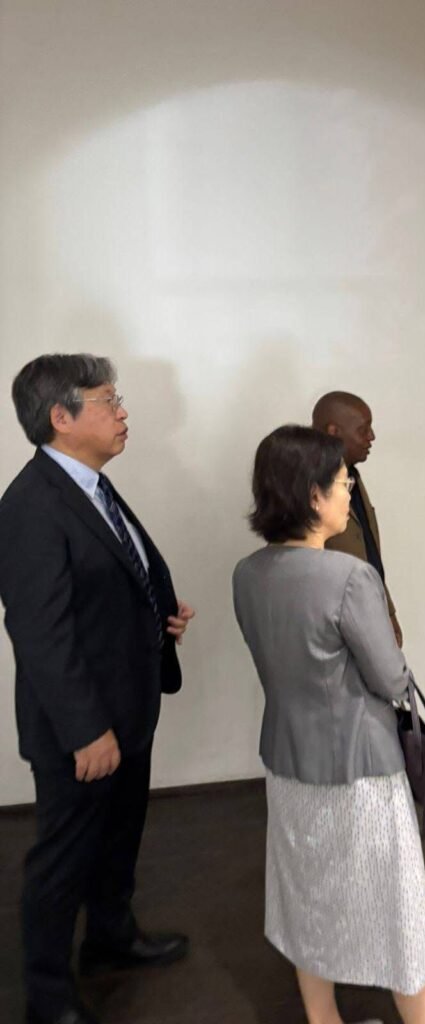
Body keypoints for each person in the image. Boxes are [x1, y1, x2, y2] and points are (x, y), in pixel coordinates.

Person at [0, 355, 195, 1024]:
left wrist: (158, 614)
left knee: (116, 841)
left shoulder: (91, 487)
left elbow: (113, 577)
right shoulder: (31, 506)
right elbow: (40, 633)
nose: (123, 412)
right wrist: (86, 730)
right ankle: (49, 998)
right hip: (80, 728)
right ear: (61, 416)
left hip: (128, 707)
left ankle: (111, 938)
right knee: (63, 860)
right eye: (109, 401)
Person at [232, 425, 425, 1024]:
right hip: (360, 772)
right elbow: (392, 679)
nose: (350, 494)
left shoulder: (247, 574)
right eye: (343, 483)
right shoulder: (349, 578)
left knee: (308, 904)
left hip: (287, 765)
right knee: (402, 921)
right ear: (313, 496)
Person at [311, 392, 402, 646]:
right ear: (333, 432)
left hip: (368, 615)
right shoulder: (307, 484)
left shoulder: (353, 477)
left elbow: (367, 550)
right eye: (363, 430)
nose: (371, 437)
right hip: (338, 629)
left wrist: (387, 612)